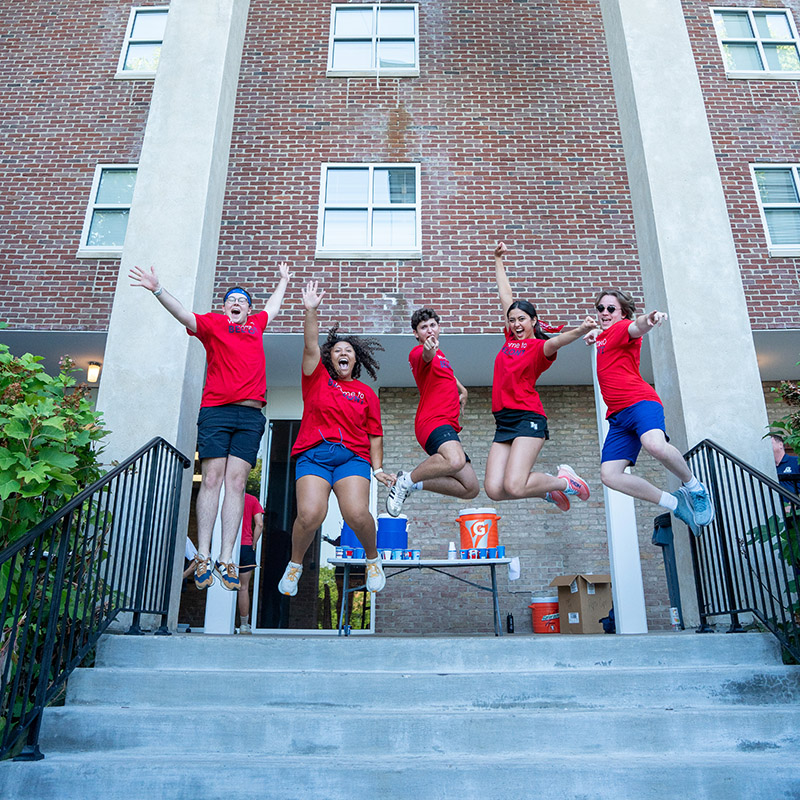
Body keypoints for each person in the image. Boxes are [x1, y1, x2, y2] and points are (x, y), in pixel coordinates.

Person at [129, 262, 291, 591]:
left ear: (248, 309)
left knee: (237, 483)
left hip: (250, 415)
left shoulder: (256, 325)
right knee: (213, 478)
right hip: (216, 411)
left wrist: (284, 281)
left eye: (242, 300)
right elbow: (184, 315)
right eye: (231, 299)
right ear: (224, 307)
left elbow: (272, 306)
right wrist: (157, 289)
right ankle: (203, 554)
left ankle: (227, 557)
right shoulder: (214, 324)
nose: (237, 303)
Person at [278, 281, 392, 597]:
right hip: (314, 455)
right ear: (331, 357)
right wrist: (311, 309)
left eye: (349, 351)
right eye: (338, 350)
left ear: (356, 360)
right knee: (311, 514)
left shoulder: (366, 393)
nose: (343, 353)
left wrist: (378, 468)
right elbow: (311, 344)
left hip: (352, 457)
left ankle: (372, 559)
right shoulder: (316, 379)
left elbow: (375, 434)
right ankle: (295, 564)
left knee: (355, 513)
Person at [584, 289, 714, 534]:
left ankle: (695, 488)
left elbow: (636, 327)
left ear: (622, 312)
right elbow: (605, 336)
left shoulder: (624, 328)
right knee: (609, 475)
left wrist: (649, 319)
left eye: (611, 308)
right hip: (619, 416)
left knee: (654, 445)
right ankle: (675, 503)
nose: (604, 313)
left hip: (640, 401)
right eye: (600, 308)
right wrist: (595, 333)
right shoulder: (604, 334)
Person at [484, 243, 599, 509]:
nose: (515, 324)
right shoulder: (509, 337)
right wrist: (498, 260)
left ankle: (564, 481)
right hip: (503, 420)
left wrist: (581, 329)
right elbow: (506, 295)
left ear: (533, 321)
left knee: (514, 485)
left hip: (527, 417)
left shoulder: (539, 348)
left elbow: (558, 341)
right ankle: (547, 491)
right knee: (494, 489)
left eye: (521, 319)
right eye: (512, 320)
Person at [385, 307, 480, 516]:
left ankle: (412, 483)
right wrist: (428, 347)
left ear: (439, 327)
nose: (429, 330)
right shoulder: (418, 353)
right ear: (416, 334)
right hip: (432, 421)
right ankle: (404, 482)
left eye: (432, 325)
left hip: (448, 425)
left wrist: (462, 390)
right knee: (455, 460)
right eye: (423, 327)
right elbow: (426, 355)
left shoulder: (441, 356)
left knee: (470, 487)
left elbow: (447, 374)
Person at [237, 492, 264, 634]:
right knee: (243, 588)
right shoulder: (252, 499)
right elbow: (259, 524)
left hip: (225, 546)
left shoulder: (226, 495)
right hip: (245, 546)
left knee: (222, 583)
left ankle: (218, 622)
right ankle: (243, 625)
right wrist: (253, 544)